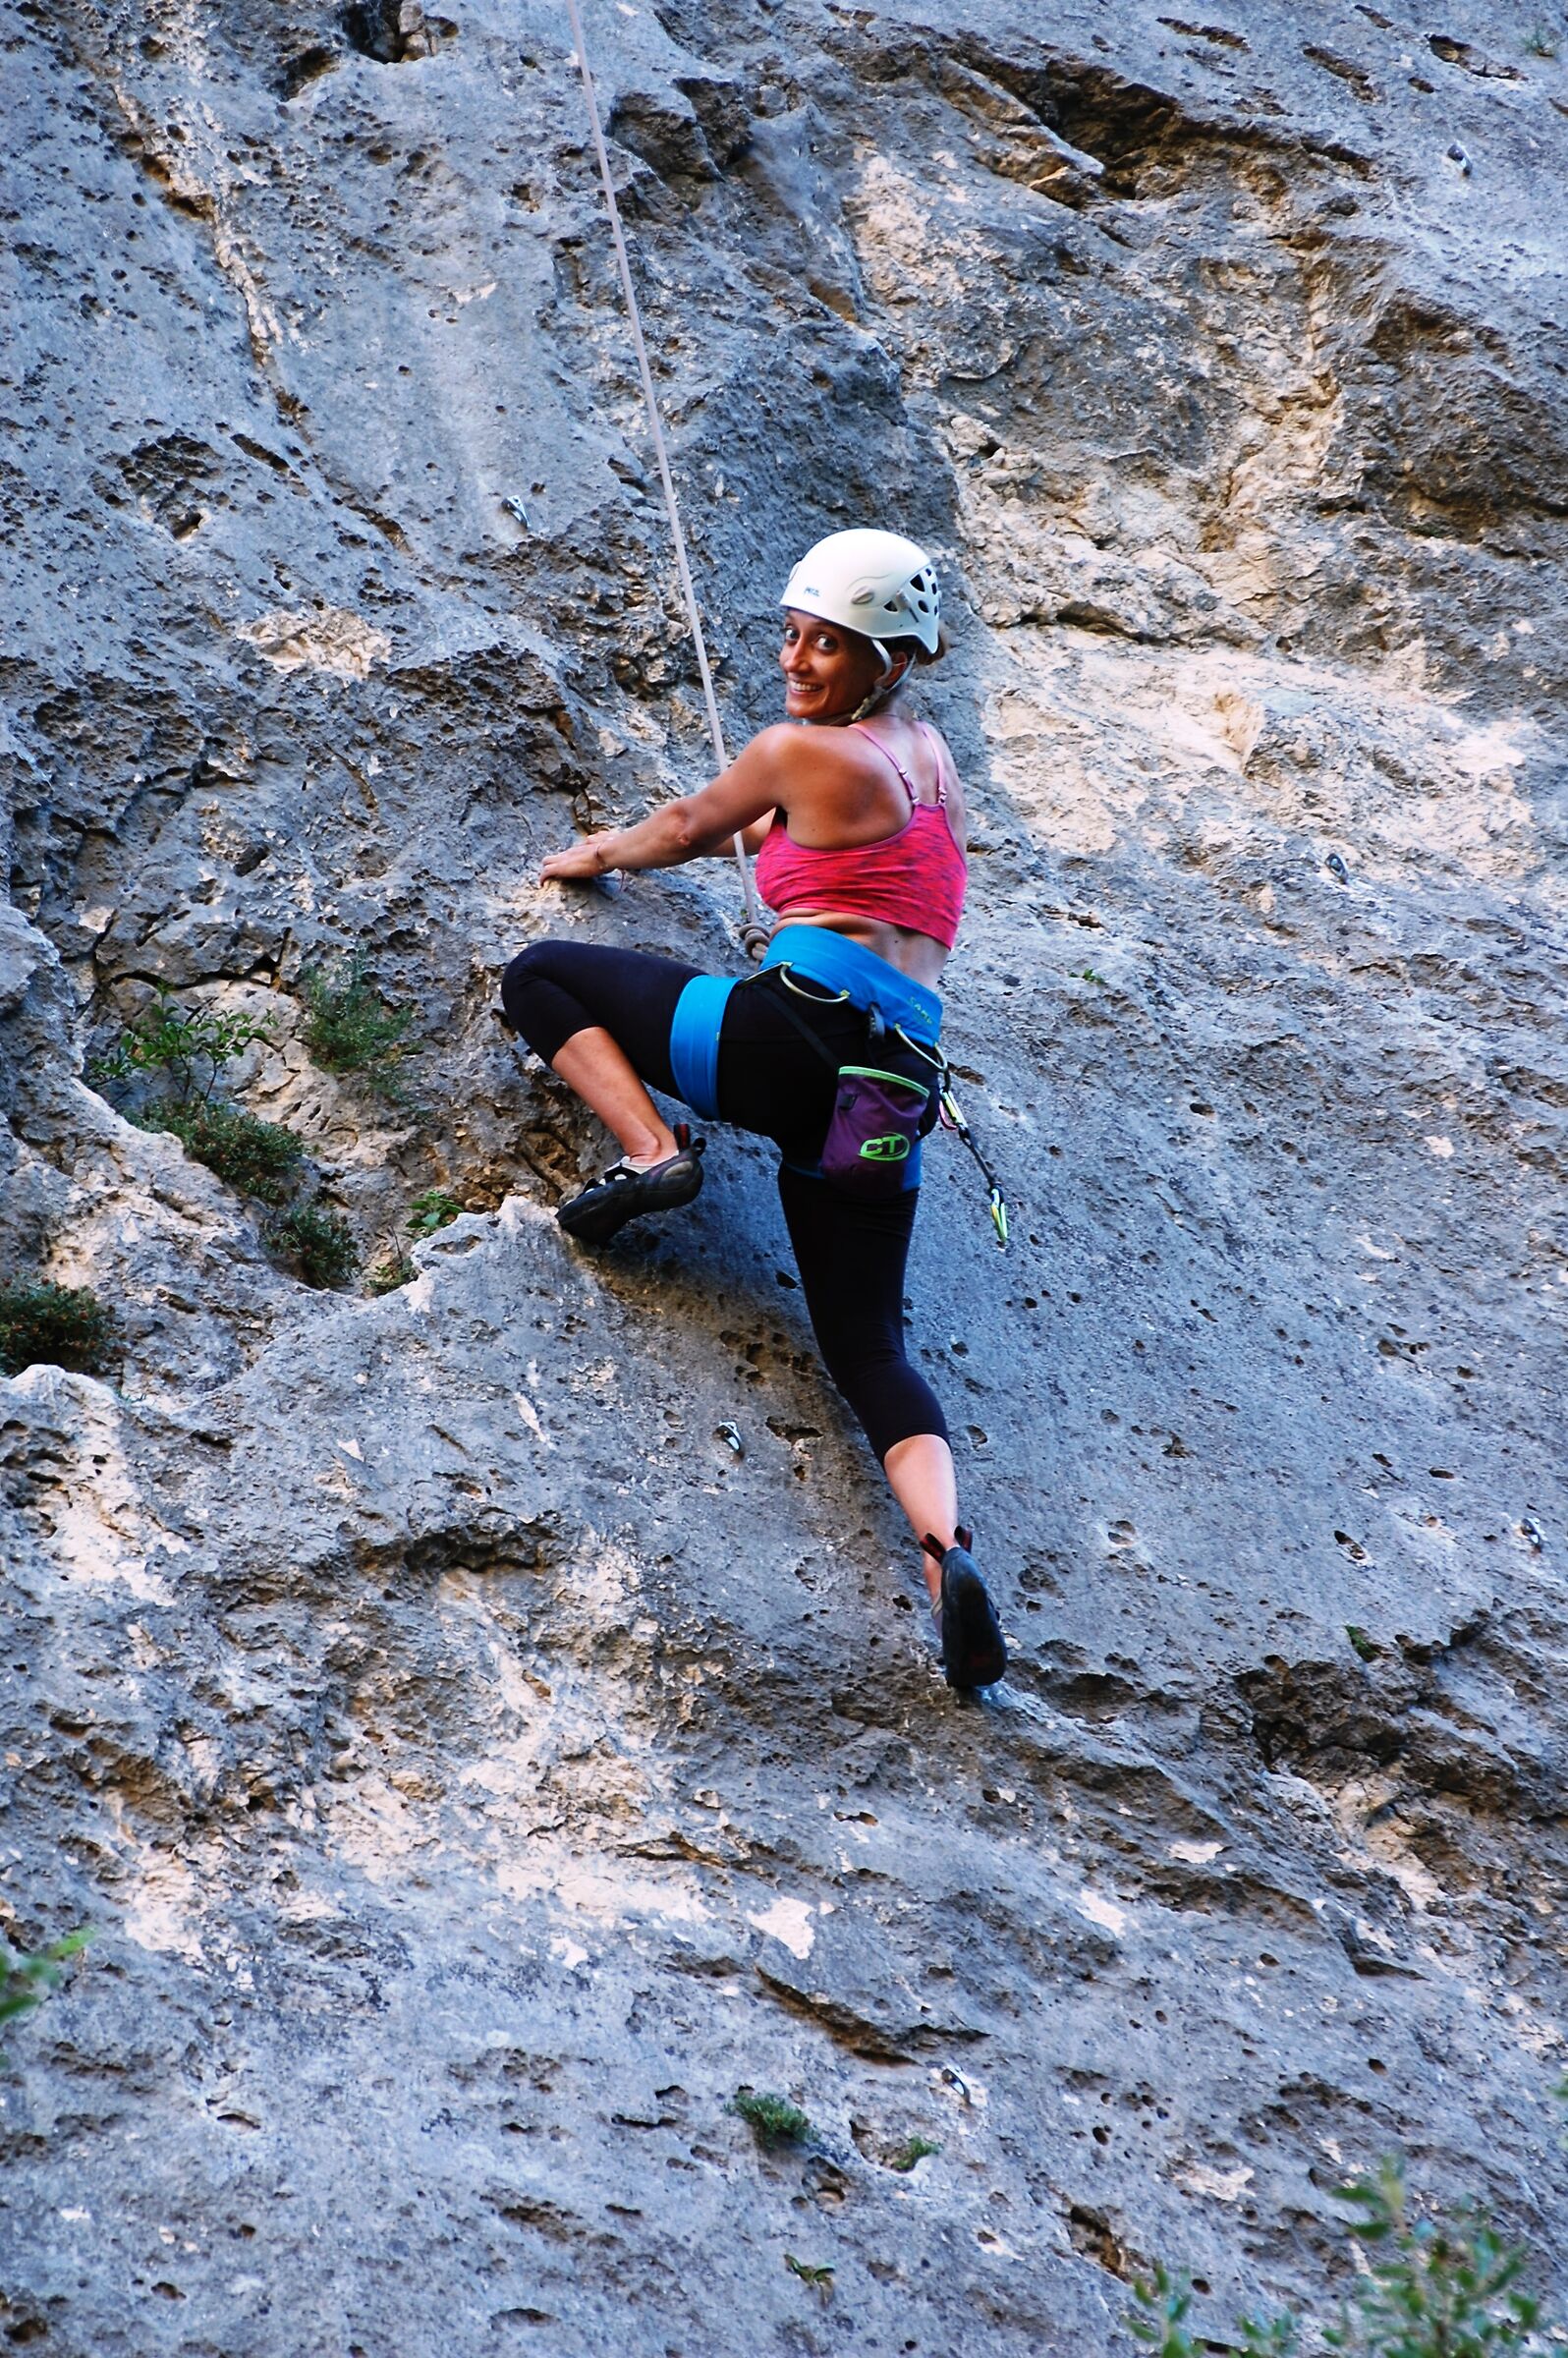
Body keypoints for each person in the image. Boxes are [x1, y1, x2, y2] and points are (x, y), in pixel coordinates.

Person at [501, 529, 1006, 1690]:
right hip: (889, 1092)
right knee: (869, 1345)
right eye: (793, 633)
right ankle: (945, 1558)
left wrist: (596, 855)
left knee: (544, 975)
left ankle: (649, 1152)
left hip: (789, 1039)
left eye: (827, 643)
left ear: (886, 659)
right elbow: (820, 847)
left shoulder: (794, 752)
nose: (798, 657)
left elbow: (685, 830)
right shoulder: (927, 760)